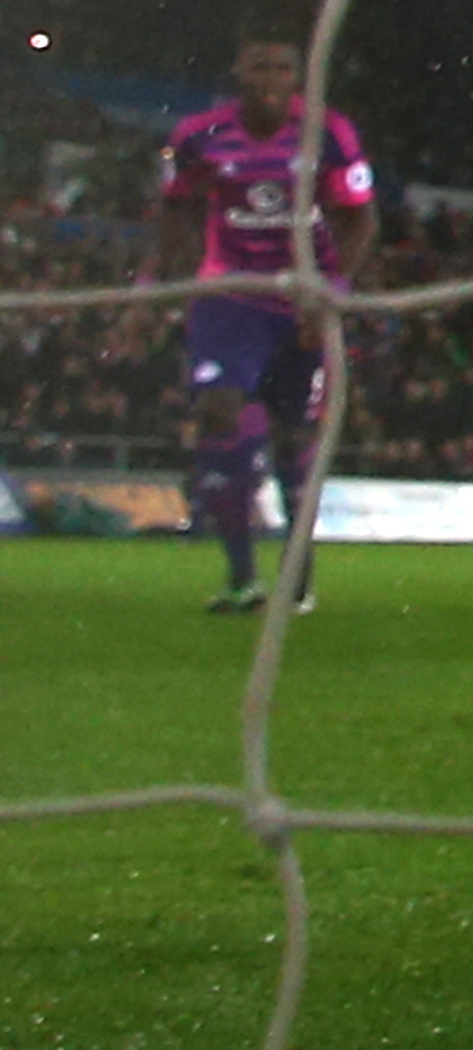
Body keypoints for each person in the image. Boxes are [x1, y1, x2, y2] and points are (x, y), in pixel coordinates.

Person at [146, 36, 373, 617]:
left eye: (282, 67)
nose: (271, 77)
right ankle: (242, 577)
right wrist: (167, 274)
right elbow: (175, 203)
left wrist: (332, 291)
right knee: (220, 412)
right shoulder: (199, 135)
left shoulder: (330, 133)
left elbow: (360, 218)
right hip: (231, 294)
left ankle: (298, 576)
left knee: (294, 439)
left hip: (303, 296)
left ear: (298, 77)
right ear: (238, 73)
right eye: (260, 66)